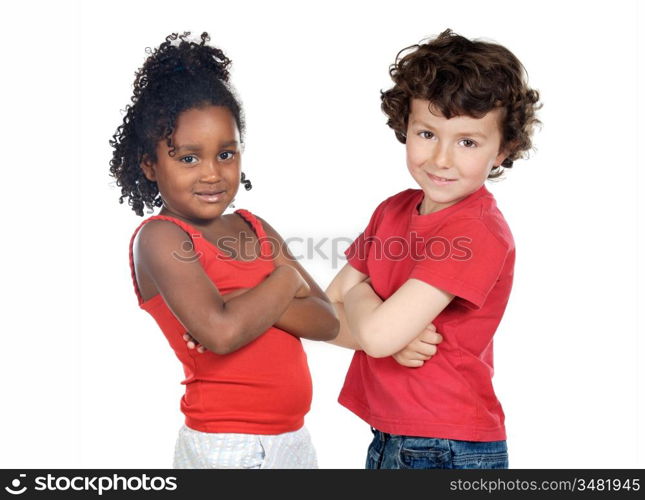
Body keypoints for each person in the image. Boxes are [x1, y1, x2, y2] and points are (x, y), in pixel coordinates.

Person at [109, 32, 339, 469]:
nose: (212, 174)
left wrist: (241, 306)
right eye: (188, 158)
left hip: (294, 440)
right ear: (149, 165)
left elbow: (327, 321)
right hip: (227, 445)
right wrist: (286, 282)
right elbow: (221, 334)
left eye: (226, 154)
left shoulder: (254, 226)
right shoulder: (161, 238)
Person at [325, 29, 541, 469]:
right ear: (404, 126)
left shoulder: (476, 231)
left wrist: (371, 312)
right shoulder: (392, 212)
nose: (441, 158)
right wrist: (381, 336)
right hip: (393, 436)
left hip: (446, 445)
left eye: (467, 142)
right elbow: (325, 310)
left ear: (503, 150)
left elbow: (376, 332)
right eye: (427, 133)